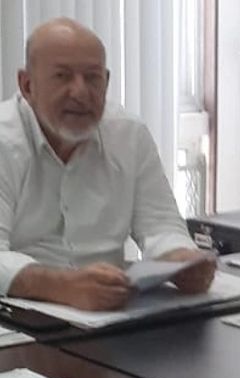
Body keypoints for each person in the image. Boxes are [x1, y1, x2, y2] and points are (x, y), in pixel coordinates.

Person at [0, 18, 215, 311]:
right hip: (17, 315)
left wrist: (182, 259)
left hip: (110, 311)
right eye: (62, 76)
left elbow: (160, 225)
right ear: (27, 85)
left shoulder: (129, 135)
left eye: (93, 78)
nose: (80, 92)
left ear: (107, 81)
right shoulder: (5, 140)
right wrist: (61, 286)